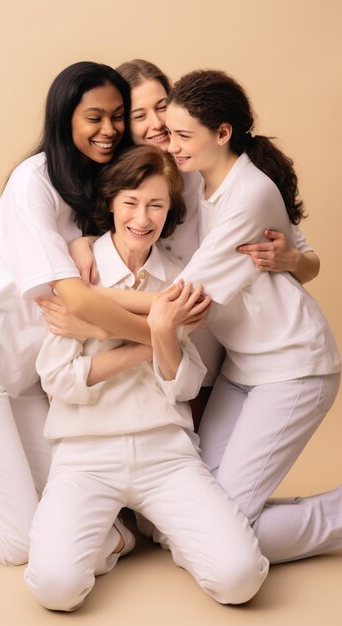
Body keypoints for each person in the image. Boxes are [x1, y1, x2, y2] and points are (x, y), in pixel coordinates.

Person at [24, 145, 268, 611]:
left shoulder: (181, 281)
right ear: (112, 201)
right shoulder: (76, 273)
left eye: (156, 205)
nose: (142, 217)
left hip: (166, 455)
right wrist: (150, 339)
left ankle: (163, 529)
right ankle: (119, 536)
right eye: (132, 202)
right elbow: (59, 379)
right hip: (85, 455)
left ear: (169, 212)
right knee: (55, 588)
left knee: (239, 580)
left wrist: (133, 330)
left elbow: (186, 385)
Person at [0, 61, 140, 565]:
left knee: (91, 511)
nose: (108, 129)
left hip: (23, 377)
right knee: (19, 543)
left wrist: (88, 237)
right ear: (65, 118)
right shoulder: (34, 180)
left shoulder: (95, 184)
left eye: (117, 116)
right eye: (94, 117)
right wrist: (155, 335)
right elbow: (79, 299)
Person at [124, 68, 340, 564]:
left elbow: (184, 299)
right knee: (185, 518)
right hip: (240, 369)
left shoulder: (248, 192)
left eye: (182, 134)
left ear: (223, 133)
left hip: (293, 368)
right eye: (164, 129)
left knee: (213, 534)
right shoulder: (199, 182)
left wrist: (85, 307)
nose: (169, 142)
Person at [49, 59, 320, 429]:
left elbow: (306, 260)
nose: (157, 124)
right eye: (139, 114)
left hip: (211, 342)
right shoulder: (129, 179)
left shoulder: (210, 170)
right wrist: (85, 243)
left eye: (162, 107)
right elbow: (118, 238)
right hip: (171, 348)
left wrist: (96, 315)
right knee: (208, 476)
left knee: (220, 479)